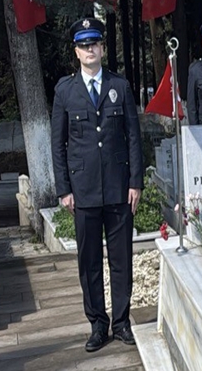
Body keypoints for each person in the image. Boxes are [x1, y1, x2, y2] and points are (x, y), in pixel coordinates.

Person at [51, 18, 144, 352]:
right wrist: (64, 189)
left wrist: (136, 182)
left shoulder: (120, 85)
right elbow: (58, 144)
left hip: (119, 188)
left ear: (103, 48)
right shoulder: (65, 91)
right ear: (76, 52)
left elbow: (133, 136)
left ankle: (121, 322)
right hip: (84, 191)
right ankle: (97, 324)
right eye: (83, 45)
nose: (90, 49)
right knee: (89, 262)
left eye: (94, 43)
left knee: (121, 260)